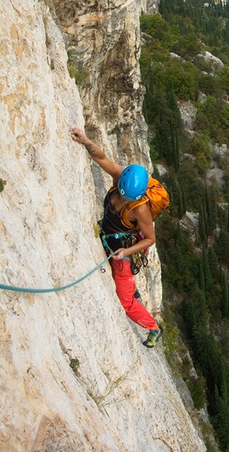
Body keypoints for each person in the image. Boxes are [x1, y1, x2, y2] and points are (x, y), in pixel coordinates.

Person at [69, 125, 163, 348]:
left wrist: (126, 252)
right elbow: (102, 158)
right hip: (109, 235)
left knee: (126, 302)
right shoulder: (121, 178)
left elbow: (150, 239)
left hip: (123, 250)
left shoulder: (141, 210)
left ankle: (154, 328)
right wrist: (85, 140)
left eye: (128, 198)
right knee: (125, 286)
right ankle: (133, 287)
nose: (124, 198)